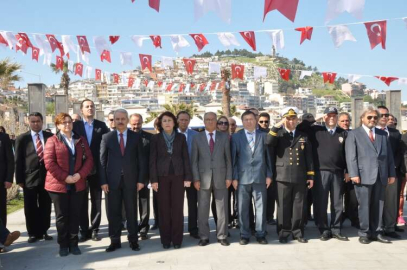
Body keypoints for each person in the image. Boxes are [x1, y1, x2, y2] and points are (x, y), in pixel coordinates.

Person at [44, 113, 94, 257]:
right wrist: (65, 177)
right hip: (59, 185)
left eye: (69, 122)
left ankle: (74, 244)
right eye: (63, 122)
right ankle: (63, 244)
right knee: (62, 217)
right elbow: (49, 163)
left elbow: (89, 160)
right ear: (58, 125)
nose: (67, 125)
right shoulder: (52, 141)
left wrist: (80, 175)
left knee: (75, 215)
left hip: (77, 184)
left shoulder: (80, 140)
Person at [345, 108, 396, 244]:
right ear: (362, 118)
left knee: (379, 205)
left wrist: (391, 173)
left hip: (381, 175)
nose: (372, 120)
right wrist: (354, 173)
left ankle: (377, 232)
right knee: (364, 206)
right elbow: (351, 156)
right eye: (369, 117)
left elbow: (388, 156)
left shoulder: (382, 134)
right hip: (362, 175)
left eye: (375, 117)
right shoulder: (354, 134)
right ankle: (364, 232)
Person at [298, 108, 349, 241]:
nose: (332, 118)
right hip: (321, 172)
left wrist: (347, 171)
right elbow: (301, 127)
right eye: (329, 116)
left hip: (338, 172)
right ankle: (323, 228)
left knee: (337, 202)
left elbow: (348, 154)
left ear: (337, 118)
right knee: (320, 202)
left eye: (334, 116)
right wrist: (318, 118)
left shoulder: (342, 133)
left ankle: (336, 228)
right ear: (325, 117)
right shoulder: (316, 130)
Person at [100, 109, 145, 252]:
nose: (120, 121)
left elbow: (141, 161)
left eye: (122, 118)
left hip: (131, 181)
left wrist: (140, 180)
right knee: (113, 212)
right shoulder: (107, 137)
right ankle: (114, 241)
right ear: (113, 120)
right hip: (112, 182)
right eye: (117, 119)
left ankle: (133, 240)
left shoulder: (135, 137)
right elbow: (102, 161)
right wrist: (103, 181)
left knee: (132, 211)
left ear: (127, 120)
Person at [267, 108, 314, 243]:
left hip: (300, 176)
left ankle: (297, 232)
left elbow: (308, 157)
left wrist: (310, 176)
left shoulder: (303, 135)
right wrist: (277, 125)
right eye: (288, 118)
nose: (291, 121)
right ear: (284, 119)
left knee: (298, 206)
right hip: (282, 176)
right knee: (283, 206)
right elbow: (268, 142)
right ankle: (283, 232)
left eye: (293, 118)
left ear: (297, 120)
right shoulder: (279, 134)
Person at [150, 111, 192, 249]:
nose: (167, 123)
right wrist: (153, 180)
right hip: (161, 178)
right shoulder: (155, 139)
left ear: (174, 122)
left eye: (169, 120)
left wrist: (187, 177)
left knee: (177, 209)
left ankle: (177, 240)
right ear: (160, 124)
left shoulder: (181, 138)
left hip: (178, 176)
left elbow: (186, 158)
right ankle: (166, 240)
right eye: (164, 121)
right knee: (164, 209)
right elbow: (152, 160)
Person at [191, 112, 232, 247]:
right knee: (203, 210)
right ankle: (204, 236)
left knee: (222, 210)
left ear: (216, 121)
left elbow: (228, 160)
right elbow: (194, 161)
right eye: (207, 119)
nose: (210, 122)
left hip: (221, 178)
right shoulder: (197, 138)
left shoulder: (224, 137)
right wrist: (196, 178)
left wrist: (229, 177)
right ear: (204, 121)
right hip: (203, 179)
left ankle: (222, 236)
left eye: (212, 119)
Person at [231, 110, 272, 245]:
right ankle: (244, 234)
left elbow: (268, 158)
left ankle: (260, 233)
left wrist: (269, 175)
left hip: (260, 177)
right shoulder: (236, 137)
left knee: (261, 208)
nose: (249, 122)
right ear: (242, 122)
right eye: (246, 120)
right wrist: (234, 177)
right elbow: (234, 160)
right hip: (242, 178)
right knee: (243, 208)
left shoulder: (263, 136)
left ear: (256, 120)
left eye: (251, 119)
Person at [73, 99, 110, 242]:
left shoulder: (101, 126)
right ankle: (84, 230)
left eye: (92, 106)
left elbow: (107, 145)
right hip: (79, 170)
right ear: (81, 110)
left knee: (96, 201)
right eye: (87, 107)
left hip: (97, 169)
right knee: (81, 201)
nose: (90, 108)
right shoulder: (75, 126)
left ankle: (95, 229)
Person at [15, 112, 53, 243]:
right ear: (29, 122)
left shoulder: (50, 137)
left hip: (47, 177)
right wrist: (19, 179)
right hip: (29, 178)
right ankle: (32, 233)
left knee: (45, 205)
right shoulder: (22, 139)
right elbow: (18, 160)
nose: (35, 124)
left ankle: (44, 231)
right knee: (30, 207)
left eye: (38, 121)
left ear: (42, 122)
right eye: (33, 121)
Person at [376, 106, 403, 238]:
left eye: (386, 115)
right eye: (382, 115)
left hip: (392, 173)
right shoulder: (370, 132)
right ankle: (377, 227)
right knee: (377, 201)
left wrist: (394, 168)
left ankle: (390, 227)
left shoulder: (395, 133)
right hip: (375, 174)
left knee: (391, 202)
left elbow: (399, 153)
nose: (384, 117)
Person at [129, 113, 152, 240]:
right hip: (129, 175)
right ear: (129, 123)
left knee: (144, 203)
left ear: (142, 122)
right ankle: (132, 227)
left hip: (145, 176)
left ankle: (143, 228)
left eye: (138, 123)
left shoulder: (150, 138)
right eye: (133, 123)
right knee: (130, 203)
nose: (136, 126)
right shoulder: (125, 136)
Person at [176, 111, 199, 239]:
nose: (184, 122)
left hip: (192, 175)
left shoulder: (196, 135)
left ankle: (193, 229)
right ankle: (178, 229)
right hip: (177, 175)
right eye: (181, 120)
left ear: (189, 121)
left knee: (193, 203)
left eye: (186, 120)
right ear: (177, 120)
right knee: (177, 204)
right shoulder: (171, 135)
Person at [0, 130, 14, 227]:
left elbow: (10, 159)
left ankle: (3, 235)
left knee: (1, 208)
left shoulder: (4, 137)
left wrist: (9, 178)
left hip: (1, 180)